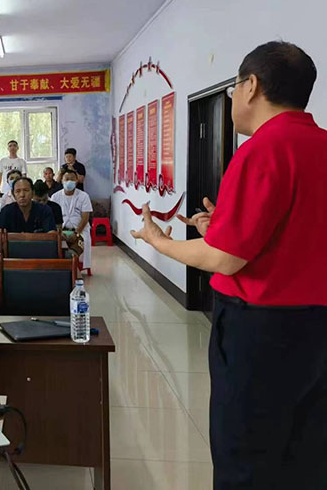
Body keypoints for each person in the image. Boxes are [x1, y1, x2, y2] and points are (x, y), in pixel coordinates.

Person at [130, 41, 327, 490]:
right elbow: (293, 231)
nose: (233, 97)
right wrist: (220, 224)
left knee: (248, 456)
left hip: (263, 334)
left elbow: (225, 259)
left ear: (251, 86)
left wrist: (160, 241)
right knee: (306, 454)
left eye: (233, 87)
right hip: (316, 330)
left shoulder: (262, 149)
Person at [51, 169, 93, 267]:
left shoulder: (84, 196)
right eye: (66, 179)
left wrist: (76, 233)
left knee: (82, 243)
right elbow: (52, 218)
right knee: (54, 244)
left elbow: (85, 217)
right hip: (61, 230)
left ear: (77, 181)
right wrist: (60, 232)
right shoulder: (55, 197)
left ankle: (77, 265)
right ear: (62, 180)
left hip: (80, 230)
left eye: (72, 179)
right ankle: (61, 265)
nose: (69, 181)